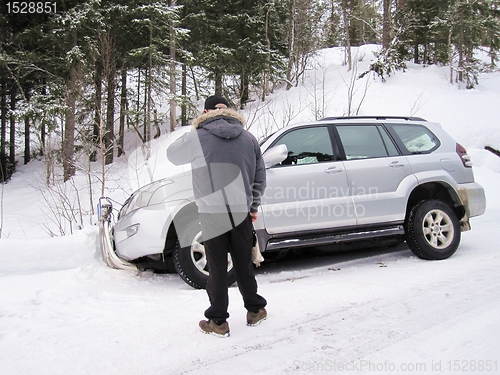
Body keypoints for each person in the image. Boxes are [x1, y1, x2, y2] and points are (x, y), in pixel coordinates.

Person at [167, 95, 267, 337]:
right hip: (240, 210)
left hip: (212, 212)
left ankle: (218, 322)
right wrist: (253, 206)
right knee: (243, 262)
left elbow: (172, 155)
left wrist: (195, 127)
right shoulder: (248, 138)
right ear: (229, 111)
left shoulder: (196, 137)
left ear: (205, 111)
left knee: (218, 266)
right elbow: (260, 175)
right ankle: (255, 310)